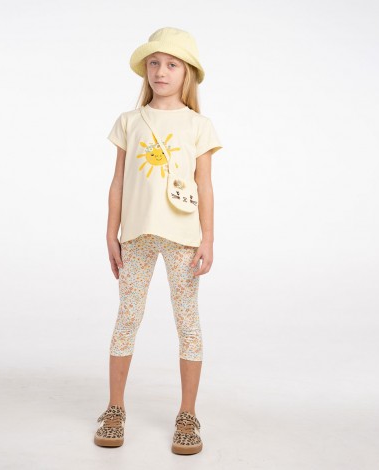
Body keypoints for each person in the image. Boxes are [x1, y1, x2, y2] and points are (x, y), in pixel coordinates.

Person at [94, 27, 223, 455]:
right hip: (136, 236)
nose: (161, 71)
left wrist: (207, 239)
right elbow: (117, 182)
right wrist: (111, 233)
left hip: (183, 238)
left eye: (171, 64)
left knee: (187, 323)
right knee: (127, 318)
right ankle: (115, 408)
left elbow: (205, 186)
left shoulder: (199, 126)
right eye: (154, 63)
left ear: (188, 73)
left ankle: (188, 414)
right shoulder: (129, 122)